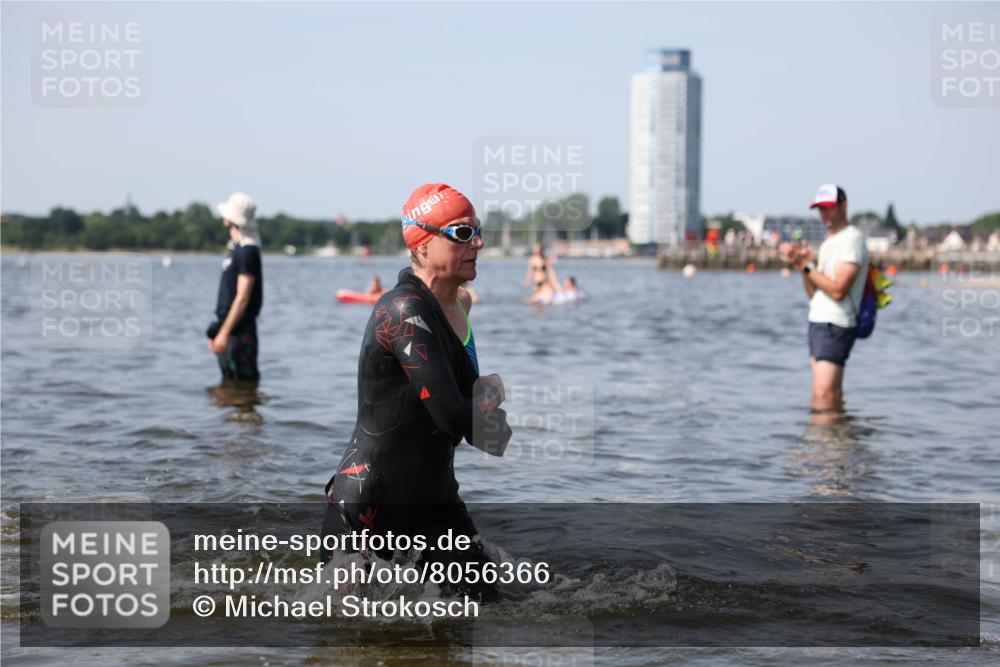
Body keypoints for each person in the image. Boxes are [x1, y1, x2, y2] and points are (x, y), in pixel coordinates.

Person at [321, 183, 512, 602]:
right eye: (462, 234)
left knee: (490, 610)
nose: (477, 242)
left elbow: (481, 436)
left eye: (478, 231)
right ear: (422, 244)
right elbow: (454, 418)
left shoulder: (459, 306)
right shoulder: (402, 311)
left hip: (437, 502)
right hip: (371, 507)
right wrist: (493, 392)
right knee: (355, 641)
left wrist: (486, 413)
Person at [780, 184, 869, 414]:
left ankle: (827, 447)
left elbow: (838, 290)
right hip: (820, 321)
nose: (824, 214)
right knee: (825, 394)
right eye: (820, 209)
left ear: (843, 206)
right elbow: (815, 294)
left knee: (824, 394)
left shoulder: (851, 239)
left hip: (836, 323)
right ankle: (832, 444)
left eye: (829, 208)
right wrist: (804, 265)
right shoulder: (831, 240)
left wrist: (808, 266)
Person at [209, 192, 264, 383]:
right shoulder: (236, 248)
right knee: (230, 389)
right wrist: (219, 331)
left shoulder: (248, 251)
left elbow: (243, 297)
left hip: (240, 334)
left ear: (232, 219)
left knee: (242, 387)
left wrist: (223, 334)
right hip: (229, 329)